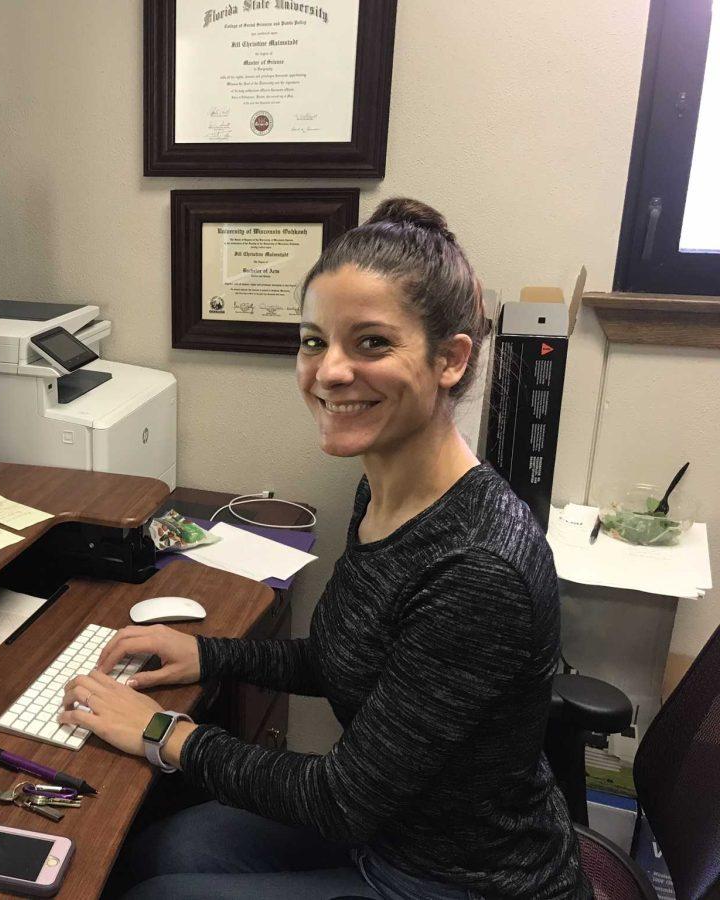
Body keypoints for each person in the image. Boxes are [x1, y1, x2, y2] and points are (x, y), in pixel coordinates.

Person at [60, 199, 592, 899]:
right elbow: (349, 658)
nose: (329, 371)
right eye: (314, 341)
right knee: (160, 848)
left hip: (460, 877)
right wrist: (207, 653)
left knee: (150, 892)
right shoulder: (384, 491)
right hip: (388, 824)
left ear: (450, 360)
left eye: (371, 343)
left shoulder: (476, 569)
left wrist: (163, 731)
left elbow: (341, 799)